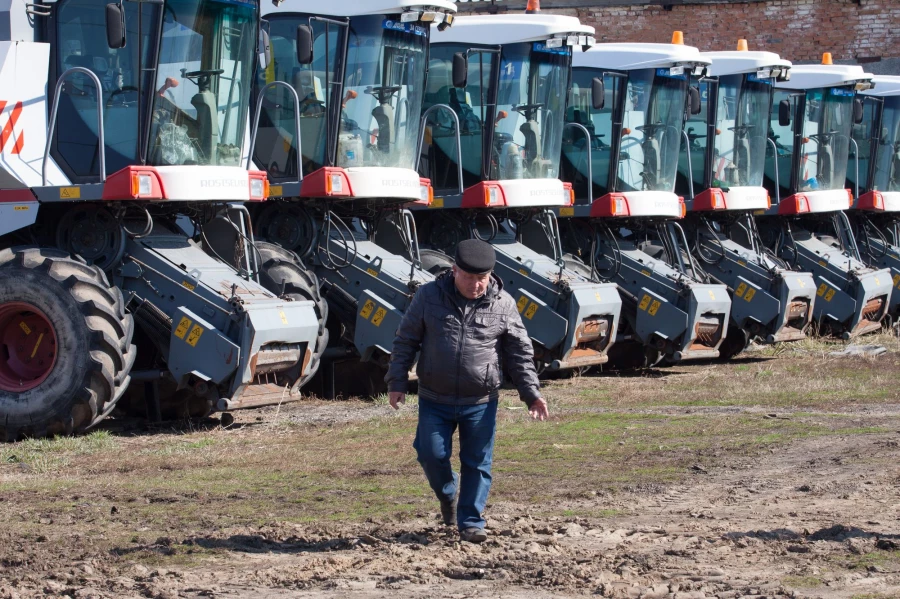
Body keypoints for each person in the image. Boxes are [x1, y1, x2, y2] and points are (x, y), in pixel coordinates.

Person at [385, 239, 549, 544]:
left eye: (482, 279)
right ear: (453, 271)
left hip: (481, 400)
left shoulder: (503, 304)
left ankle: (471, 521)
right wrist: (396, 383)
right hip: (435, 397)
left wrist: (531, 393)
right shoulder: (428, 296)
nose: (476, 285)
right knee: (431, 455)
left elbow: (519, 353)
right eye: (469, 278)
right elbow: (405, 339)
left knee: (477, 462)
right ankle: (448, 494)